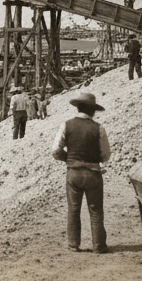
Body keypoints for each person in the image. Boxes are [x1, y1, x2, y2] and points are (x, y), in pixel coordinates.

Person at [51, 91, 110, 253]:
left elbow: (55, 151)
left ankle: (73, 244)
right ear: (93, 110)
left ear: (78, 108)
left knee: (74, 209)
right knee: (96, 209)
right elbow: (106, 155)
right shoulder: (99, 128)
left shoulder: (66, 125)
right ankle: (99, 246)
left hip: (74, 173)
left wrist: (68, 158)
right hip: (93, 173)